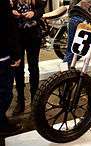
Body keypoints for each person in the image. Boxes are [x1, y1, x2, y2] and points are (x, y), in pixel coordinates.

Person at [11, 0, 46, 115]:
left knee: (33, 67)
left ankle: (34, 101)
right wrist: (11, 11)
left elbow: (41, 9)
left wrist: (34, 13)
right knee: (18, 69)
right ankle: (20, 101)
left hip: (33, 35)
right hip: (16, 37)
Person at [0, 0, 22, 135]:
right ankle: (2, 125)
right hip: (3, 55)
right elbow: (7, 28)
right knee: (4, 92)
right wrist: (15, 54)